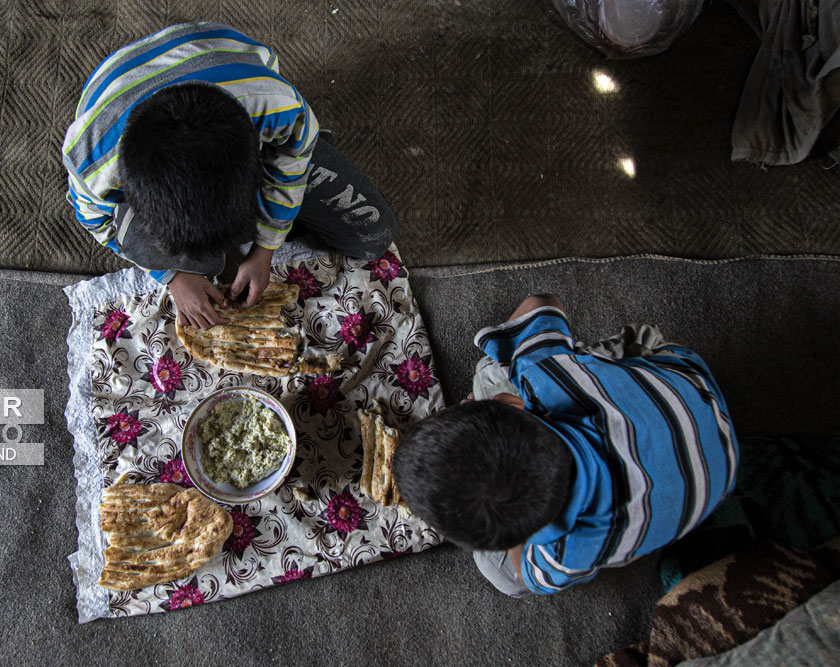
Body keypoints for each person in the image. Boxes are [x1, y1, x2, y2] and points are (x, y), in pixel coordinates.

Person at [392, 294, 740, 596]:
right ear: (512, 405)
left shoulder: (562, 554)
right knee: (491, 371)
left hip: (719, 476)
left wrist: (515, 532)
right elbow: (541, 304)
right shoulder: (546, 374)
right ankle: (619, 356)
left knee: (501, 575)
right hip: (692, 395)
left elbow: (519, 558)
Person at [62, 22, 396, 328]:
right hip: (123, 118)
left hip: (242, 97)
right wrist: (173, 275)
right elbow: (97, 223)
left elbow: (291, 162)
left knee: (374, 234)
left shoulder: (275, 105)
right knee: (202, 260)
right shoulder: (91, 164)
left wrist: (265, 248)